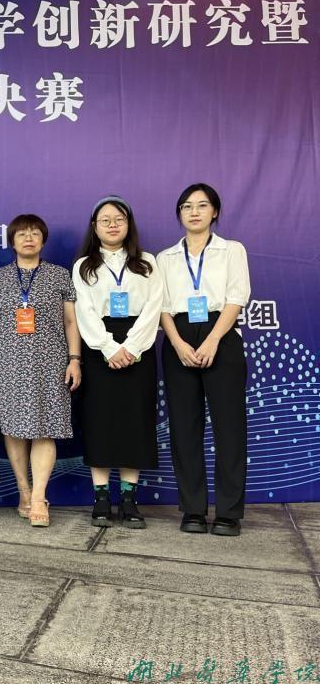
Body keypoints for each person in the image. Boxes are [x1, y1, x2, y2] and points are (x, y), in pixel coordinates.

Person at [157, 184, 250, 536]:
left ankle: (228, 512)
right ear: (179, 214)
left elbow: (236, 298)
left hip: (221, 334)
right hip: (178, 336)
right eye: (186, 206)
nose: (193, 212)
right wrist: (177, 343)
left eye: (201, 205)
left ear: (215, 212)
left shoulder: (232, 250)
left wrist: (213, 340)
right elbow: (162, 306)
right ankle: (193, 509)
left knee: (229, 427)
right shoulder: (165, 258)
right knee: (184, 427)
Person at [0, 214, 81, 527]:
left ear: (43, 240)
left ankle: (39, 497)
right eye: (22, 233)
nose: (28, 238)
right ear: (12, 240)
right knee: (13, 428)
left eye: (35, 233)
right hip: (8, 363)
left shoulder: (59, 275)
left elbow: (70, 321)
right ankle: (24, 491)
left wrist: (74, 359)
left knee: (45, 427)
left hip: (50, 363)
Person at [72, 197, 162, 528]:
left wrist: (132, 347)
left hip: (140, 346)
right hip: (99, 349)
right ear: (94, 227)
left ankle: (128, 500)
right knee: (100, 422)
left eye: (119, 219)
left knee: (134, 422)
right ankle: (100, 499)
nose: (112, 225)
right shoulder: (84, 265)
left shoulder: (147, 262)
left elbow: (154, 307)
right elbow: (84, 311)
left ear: (129, 224)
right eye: (105, 220)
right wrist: (109, 347)